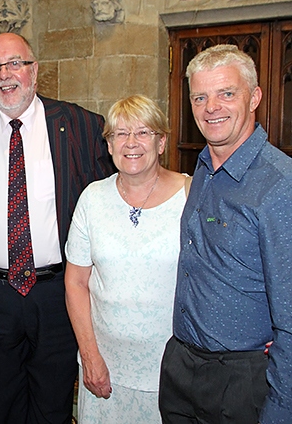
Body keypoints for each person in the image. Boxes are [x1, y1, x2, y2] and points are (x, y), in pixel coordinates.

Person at [0, 32, 115, 423]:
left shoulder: (81, 126)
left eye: (15, 63)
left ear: (34, 70)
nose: (5, 75)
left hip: (57, 296)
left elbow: (112, 198)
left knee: (53, 403)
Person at [158, 44, 292, 424]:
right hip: (183, 367)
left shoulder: (280, 185)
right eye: (200, 97)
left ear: (255, 98)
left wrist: (281, 412)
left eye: (226, 93)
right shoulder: (203, 167)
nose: (211, 107)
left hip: (241, 380)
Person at [65, 95, 187, 423]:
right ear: (108, 145)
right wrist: (90, 358)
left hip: (172, 368)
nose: (131, 143)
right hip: (106, 365)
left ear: (161, 142)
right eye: (120, 133)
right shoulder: (92, 199)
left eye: (143, 132)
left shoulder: (191, 195)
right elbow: (76, 282)